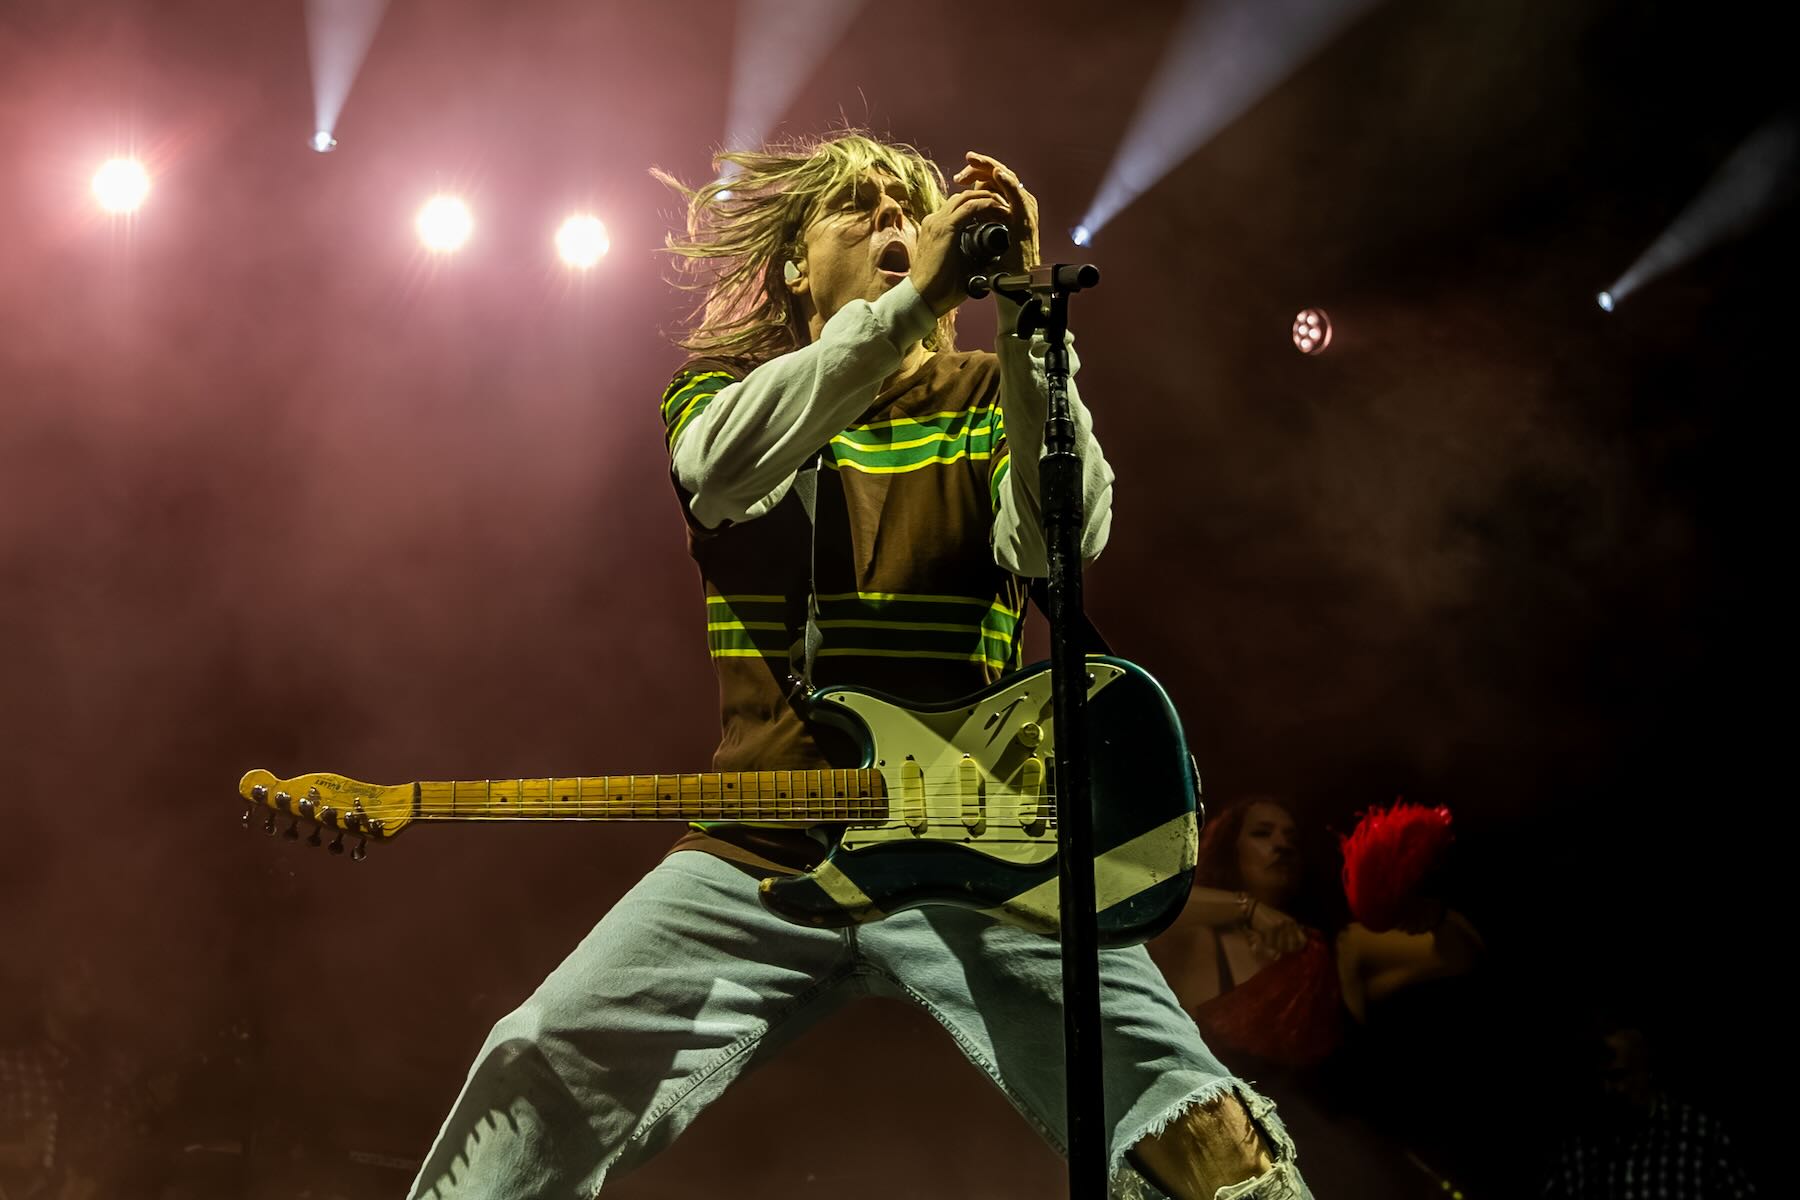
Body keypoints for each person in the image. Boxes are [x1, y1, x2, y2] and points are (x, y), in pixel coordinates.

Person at [405, 131, 1309, 1199]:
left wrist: (1030, 327)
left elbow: (1061, 541)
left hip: (983, 848)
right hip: (761, 845)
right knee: (536, 1067)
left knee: (1202, 1127)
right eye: (862, 205)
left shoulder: (989, 391)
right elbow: (721, 474)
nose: (897, 221)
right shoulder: (720, 393)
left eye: (911, 209)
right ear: (795, 264)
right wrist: (914, 304)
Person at [1540, 1021, 1759, 1198]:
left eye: (1618, 1076)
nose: (1608, 1089)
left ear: (1646, 1069)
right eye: (1600, 1078)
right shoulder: (1576, 1149)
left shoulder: (1701, 1137)